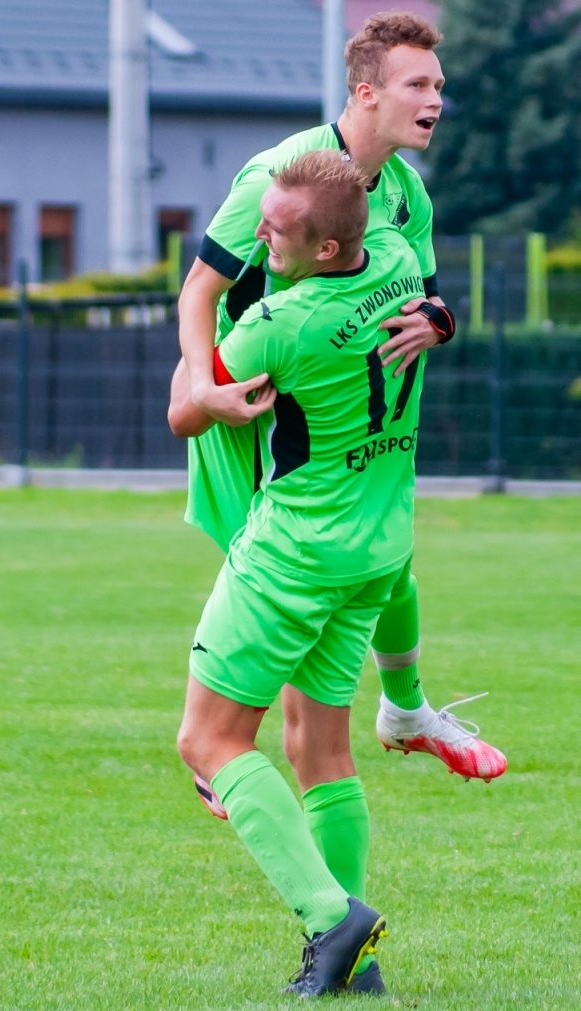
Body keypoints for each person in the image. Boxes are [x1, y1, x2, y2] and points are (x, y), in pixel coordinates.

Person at [170, 11, 506, 790]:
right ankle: (225, 751)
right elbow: (198, 291)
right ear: (366, 92)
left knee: (384, 559)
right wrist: (205, 384)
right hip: (249, 404)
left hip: (333, 397)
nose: (436, 100)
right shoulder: (280, 176)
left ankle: (402, 712)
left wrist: (440, 322)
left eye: (440, 86)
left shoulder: (404, 193)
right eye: (418, 85)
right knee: (295, 590)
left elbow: (426, 301)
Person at [175, 151, 432, 997]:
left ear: (325, 250)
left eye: (275, 229)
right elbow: (427, 292)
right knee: (320, 749)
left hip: (295, 553)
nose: (258, 236)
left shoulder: (279, 325)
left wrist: (205, 390)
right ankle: (356, 966)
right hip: (377, 545)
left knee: (211, 743)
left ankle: (333, 920)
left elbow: (185, 412)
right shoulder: (393, 259)